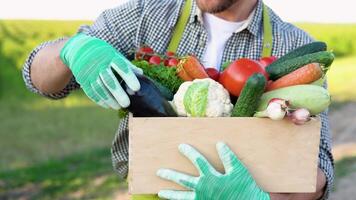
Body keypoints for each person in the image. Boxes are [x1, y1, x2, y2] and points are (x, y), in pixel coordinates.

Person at [22, 0, 333, 199]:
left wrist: (250, 197)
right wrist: (75, 49)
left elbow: (317, 167)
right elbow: (37, 77)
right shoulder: (147, 14)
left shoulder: (295, 44)